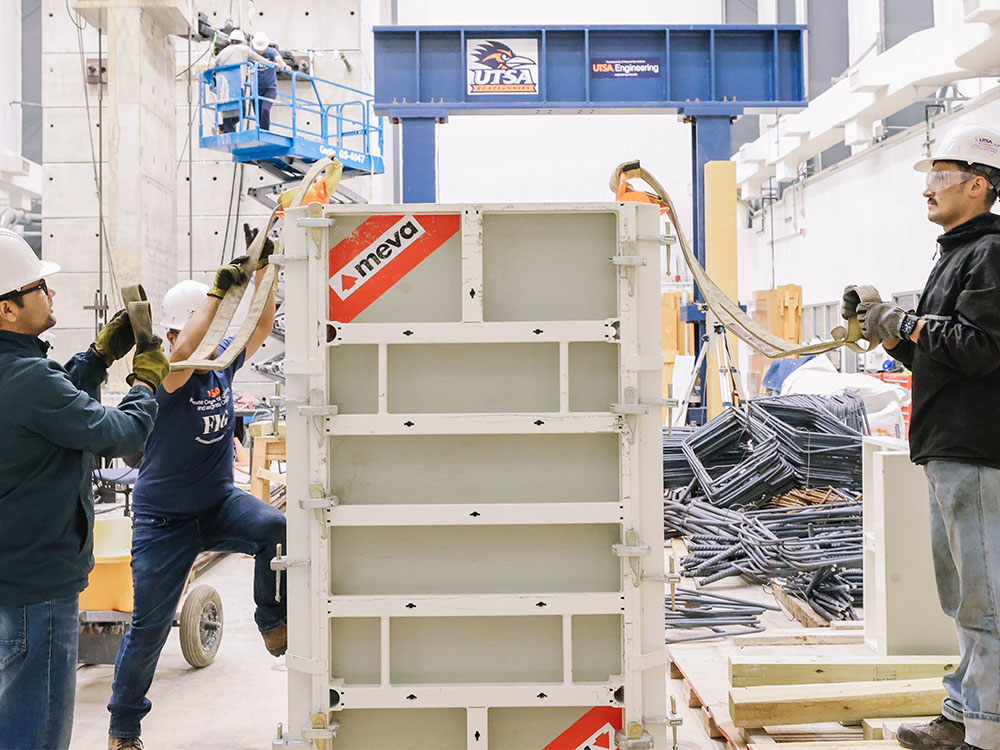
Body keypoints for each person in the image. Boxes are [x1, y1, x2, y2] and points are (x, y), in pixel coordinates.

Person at [843, 124, 1000, 750]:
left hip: (978, 449)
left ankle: (986, 727)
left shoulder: (991, 254)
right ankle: (965, 710)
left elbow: (983, 350)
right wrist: (891, 335)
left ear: (978, 184)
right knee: (964, 596)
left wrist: (906, 321)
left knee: (985, 598)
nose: (926, 190)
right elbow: (944, 357)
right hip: (948, 447)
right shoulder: (956, 255)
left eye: (939, 176)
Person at [107, 226, 284, 750]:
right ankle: (123, 729)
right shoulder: (167, 372)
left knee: (276, 529)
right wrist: (218, 291)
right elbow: (186, 349)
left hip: (218, 504)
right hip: (163, 522)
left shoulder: (219, 367)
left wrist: (268, 272)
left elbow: (259, 327)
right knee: (149, 628)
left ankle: (272, 620)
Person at [0, 228, 167, 750]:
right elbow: (119, 433)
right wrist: (145, 385)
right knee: (38, 734)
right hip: (38, 588)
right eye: (38, 288)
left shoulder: (19, 373)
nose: (51, 295)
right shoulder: (26, 379)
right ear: (6, 308)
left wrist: (96, 359)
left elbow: (54, 409)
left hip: (13, 577)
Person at [213, 29, 286, 133]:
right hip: (237, 85)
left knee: (228, 112)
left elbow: (214, 70)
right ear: (242, 41)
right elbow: (258, 58)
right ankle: (226, 128)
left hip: (224, 87)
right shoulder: (244, 49)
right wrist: (272, 64)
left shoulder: (221, 53)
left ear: (230, 41)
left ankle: (225, 128)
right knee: (241, 112)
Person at [250, 32, 288, 131]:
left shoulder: (271, 51)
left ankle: (265, 132)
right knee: (258, 114)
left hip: (269, 88)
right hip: (255, 89)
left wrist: (284, 66)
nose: (260, 50)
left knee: (265, 110)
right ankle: (260, 131)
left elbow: (279, 59)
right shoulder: (251, 53)